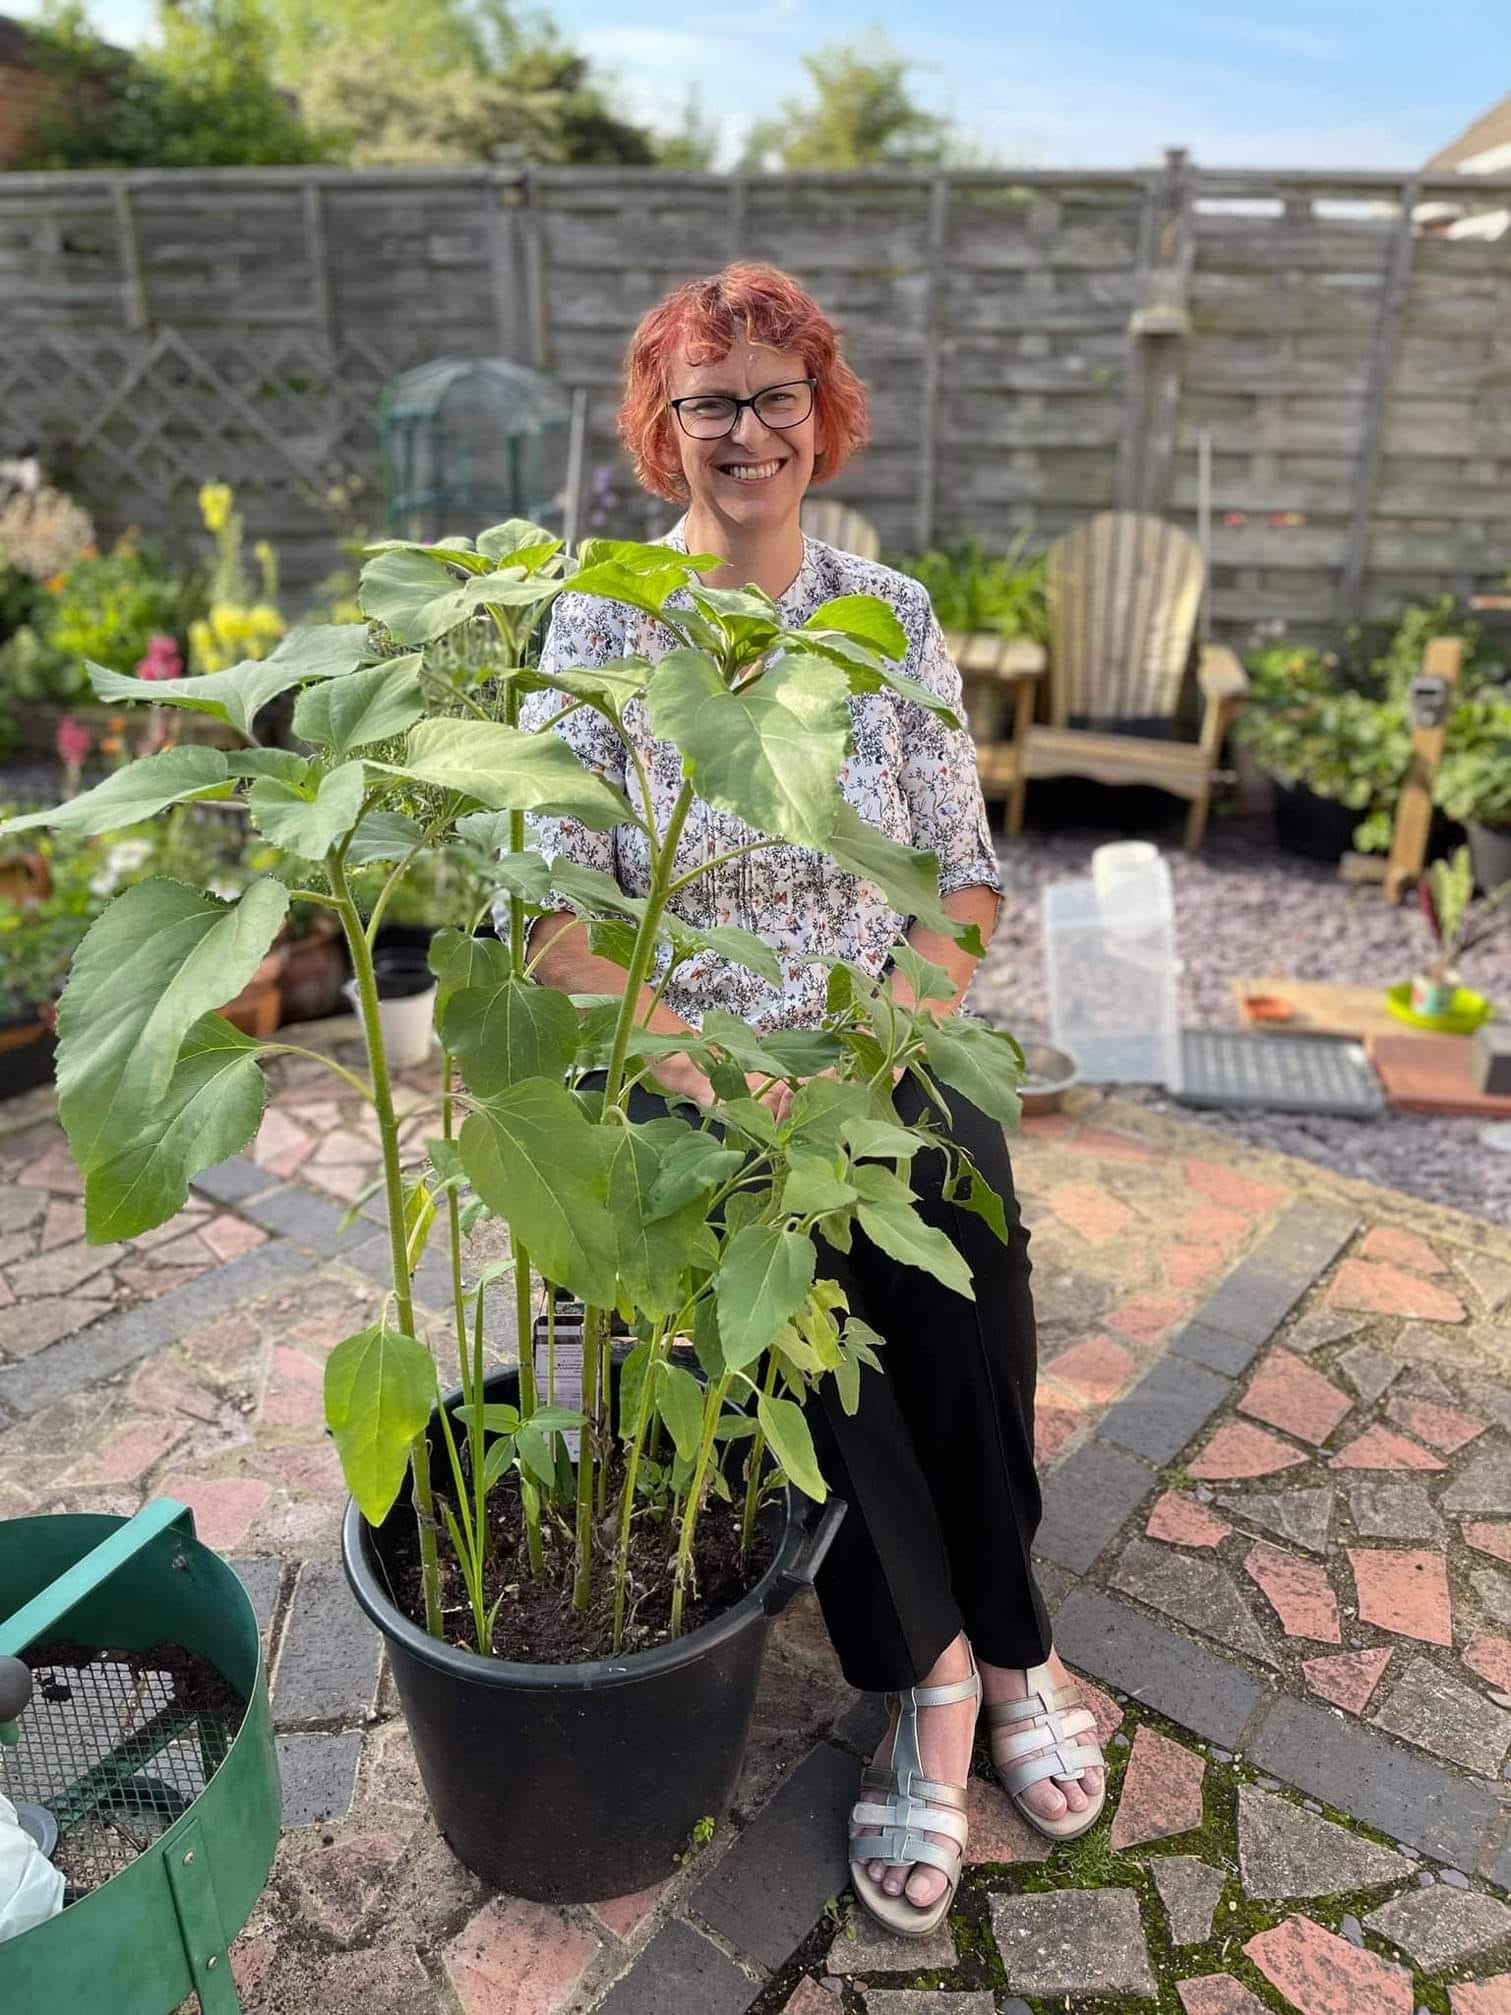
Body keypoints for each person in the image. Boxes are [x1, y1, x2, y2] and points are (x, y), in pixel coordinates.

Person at [521, 263, 1105, 1939]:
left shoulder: (887, 614)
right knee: (803, 1330)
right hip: (697, 1077)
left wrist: (876, 1052)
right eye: (711, 400)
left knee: (969, 1285)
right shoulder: (602, 622)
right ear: (666, 428)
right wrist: (716, 1074)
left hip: (880, 1054)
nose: (747, 429)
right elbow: (559, 917)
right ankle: (920, 1679)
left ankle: (1015, 1638)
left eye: (777, 394)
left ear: (821, 415)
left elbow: (963, 886)